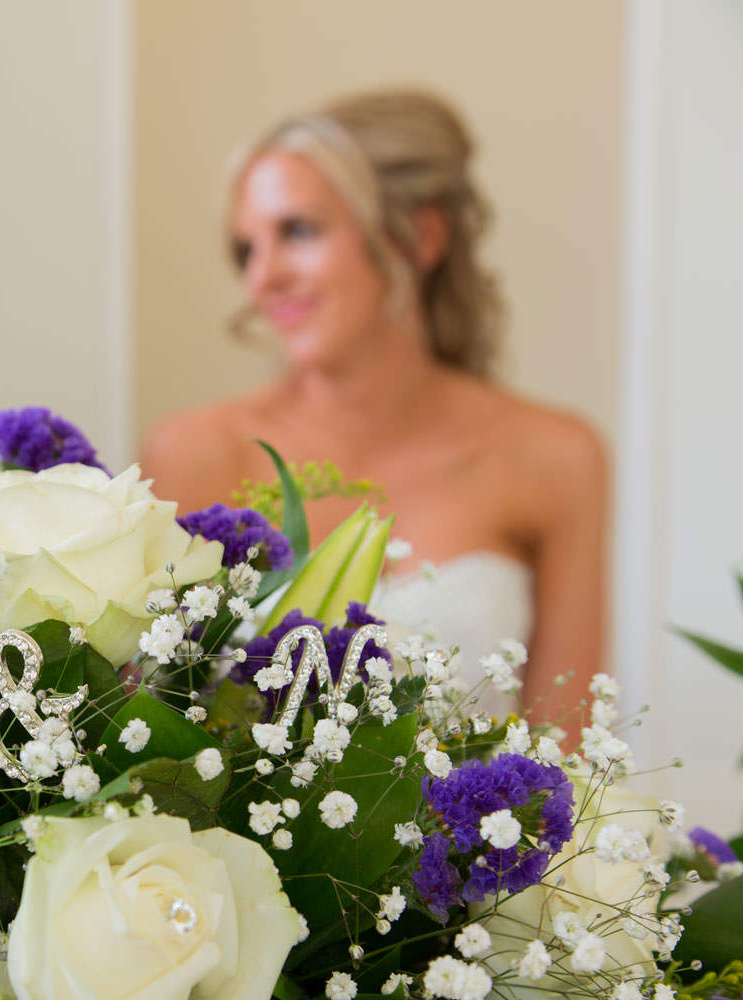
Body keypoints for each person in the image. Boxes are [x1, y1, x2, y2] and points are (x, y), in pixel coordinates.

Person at [141, 90, 606, 728]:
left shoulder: (556, 457)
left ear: (420, 235)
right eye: (247, 249)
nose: (262, 278)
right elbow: (149, 727)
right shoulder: (190, 453)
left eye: (297, 231)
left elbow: (569, 757)